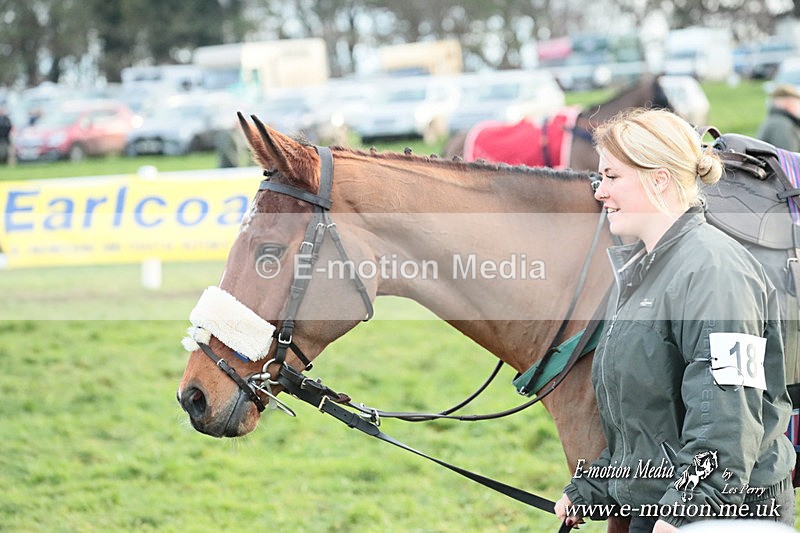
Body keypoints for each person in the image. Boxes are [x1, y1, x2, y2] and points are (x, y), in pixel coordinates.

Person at [554, 108, 796, 532]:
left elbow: (727, 420)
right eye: (599, 178)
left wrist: (688, 510)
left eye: (611, 177)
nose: (600, 192)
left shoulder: (716, 273)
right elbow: (648, 418)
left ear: (659, 179)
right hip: (662, 507)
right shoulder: (642, 268)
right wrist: (594, 488)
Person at [757, 84, 800, 152]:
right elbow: (787, 155)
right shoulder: (781, 124)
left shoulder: (776, 120)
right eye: (796, 102)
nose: (798, 107)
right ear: (787, 102)